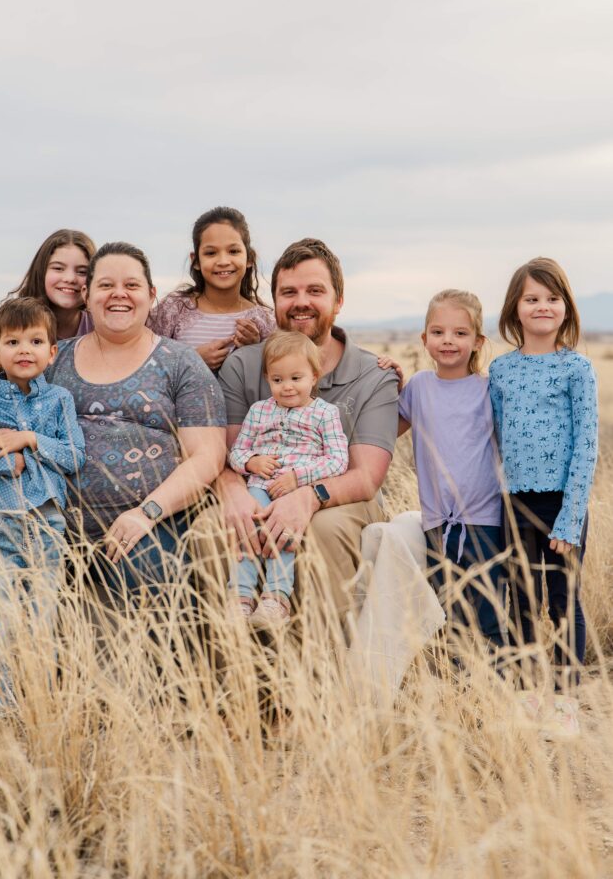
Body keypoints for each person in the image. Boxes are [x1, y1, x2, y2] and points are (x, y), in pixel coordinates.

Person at [200, 237, 399, 627]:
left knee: (323, 532)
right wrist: (234, 493)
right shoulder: (244, 364)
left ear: (338, 301)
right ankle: (234, 673)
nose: (300, 301)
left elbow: (365, 476)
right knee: (214, 527)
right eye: (288, 292)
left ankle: (319, 674)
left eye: (315, 291)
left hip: (341, 497)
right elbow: (228, 453)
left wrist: (309, 497)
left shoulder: (374, 373)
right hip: (257, 485)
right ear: (273, 302)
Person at [43, 241, 228, 603]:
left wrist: (146, 514)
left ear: (151, 294)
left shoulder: (181, 363)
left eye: (131, 285)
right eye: (106, 285)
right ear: (86, 293)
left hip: (151, 525)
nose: (119, 294)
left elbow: (207, 456)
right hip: (55, 527)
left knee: (147, 586)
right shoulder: (52, 360)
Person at [0, 298, 86, 712]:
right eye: (12, 341)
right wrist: (4, 462)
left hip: (47, 525)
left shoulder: (59, 400)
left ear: (52, 352)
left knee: (43, 617)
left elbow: (76, 456)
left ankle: (38, 701)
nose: (25, 349)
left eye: (36, 341)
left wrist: (30, 441)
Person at [490, 257, 598, 736]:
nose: (542, 306)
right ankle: (526, 698)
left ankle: (564, 703)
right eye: (532, 298)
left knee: (562, 600)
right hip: (514, 503)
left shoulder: (577, 369)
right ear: (515, 308)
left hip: (561, 506)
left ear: (566, 307)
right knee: (519, 599)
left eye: (552, 298)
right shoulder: (501, 370)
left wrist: (570, 517)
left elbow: (587, 446)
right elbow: (490, 437)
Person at [0, 228, 96, 513]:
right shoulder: (19, 315)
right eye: (58, 268)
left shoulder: (92, 324)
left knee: (38, 512)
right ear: (41, 272)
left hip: (36, 409)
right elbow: (7, 379)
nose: (69, 278)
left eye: (81, 271)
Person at [396, 290, 506, 655]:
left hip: (485, 519)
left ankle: (500, 686)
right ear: (424, 339)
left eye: (460, 333)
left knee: (490, 611)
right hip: (438, 523)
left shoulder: (488, 389)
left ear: (478, 341)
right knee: (447, 611)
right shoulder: (419, 388)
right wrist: (386, 381)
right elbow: (385, 431)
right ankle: (456, 689)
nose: (448, 341)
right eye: (438, 332)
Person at [227, 330, 349, 628]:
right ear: (268, 378)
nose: (287, 387)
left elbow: (337, 459)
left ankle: (276, 598)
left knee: (282, 531)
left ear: (314, 376)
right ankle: (240, 598)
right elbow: (237, 452)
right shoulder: (259, 411)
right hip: (259, 487)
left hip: (296, 492)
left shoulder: (325, 413)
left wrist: (298, 477)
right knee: (248, 526)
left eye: (296, 378)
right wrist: (252, 462)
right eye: (277, 380)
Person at [152, 207, 275, 374]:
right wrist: (193, 360)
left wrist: (255, 348)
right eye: (211, 253)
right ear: (195, 261)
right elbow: (144, 362)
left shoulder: (264, 320)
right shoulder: (173, 310)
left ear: (249, 258)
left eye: (233, 251)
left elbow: (277, 377)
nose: (223, 261)